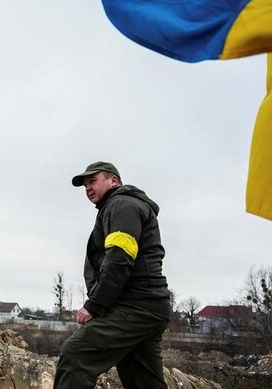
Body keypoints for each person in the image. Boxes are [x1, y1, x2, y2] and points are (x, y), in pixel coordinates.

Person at [54, 162, 171, 389]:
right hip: (146, 307)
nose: (88, 188)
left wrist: (95, 305)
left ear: (114, 180)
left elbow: (119, 258)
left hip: (136, 306)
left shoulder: (122, 205)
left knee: (76, 355)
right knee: (143, 381)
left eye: (93, 181)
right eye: (85, 185)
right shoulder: (116, 207)